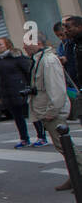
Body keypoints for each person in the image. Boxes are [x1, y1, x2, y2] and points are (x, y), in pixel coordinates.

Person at [25, 38, 82, 191]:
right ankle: (75, 177)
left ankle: (78, 177)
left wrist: (51, 111)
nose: (24, 46)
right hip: (47, 110)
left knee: (66, 146)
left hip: (52, 112)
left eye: (27, 43)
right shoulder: (38, 60)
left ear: (38, 43)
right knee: (63, 146)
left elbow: (56, 89)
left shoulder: (48, 60)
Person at [0, 37, 45, 147]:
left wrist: (30, 87)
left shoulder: (17, 57)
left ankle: (41, 136)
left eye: (0, 44)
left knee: (32, 114)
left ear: (7, 45)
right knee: (17, 117)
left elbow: (28, 72)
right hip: (7, 93)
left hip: (21, 90)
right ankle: (24, 138)